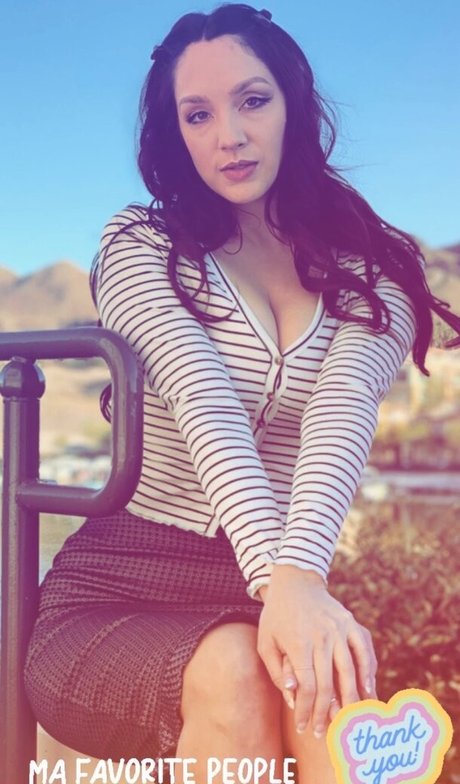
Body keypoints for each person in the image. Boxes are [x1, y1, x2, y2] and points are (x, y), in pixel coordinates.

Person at [24, 4, 460, 783]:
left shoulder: (376, 277)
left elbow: (340, 419)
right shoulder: (140, 247)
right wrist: (285, 584)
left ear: (292, 102)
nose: (229, 135)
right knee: (237, 667)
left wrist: (299, 583)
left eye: (252, 100)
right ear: (176, 132)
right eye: (199, 114)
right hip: (115, 593)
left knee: (323, 705)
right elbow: (204, 402)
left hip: (283, 586)